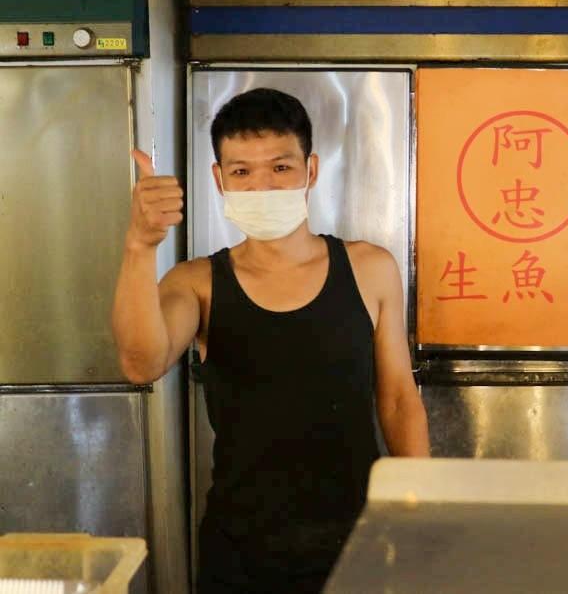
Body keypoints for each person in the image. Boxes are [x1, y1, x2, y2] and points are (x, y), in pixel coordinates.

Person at [111, 88, 429, 593]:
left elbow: (397, 400)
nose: (261, 186)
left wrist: (421, 511)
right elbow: (140, 363)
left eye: (280, 167)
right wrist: (139, 246)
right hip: (241, 554)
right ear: (219, 179)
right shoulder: (196, 282)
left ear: (311, 170)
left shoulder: (371, 268)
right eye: (241, 171)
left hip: (359, 541)